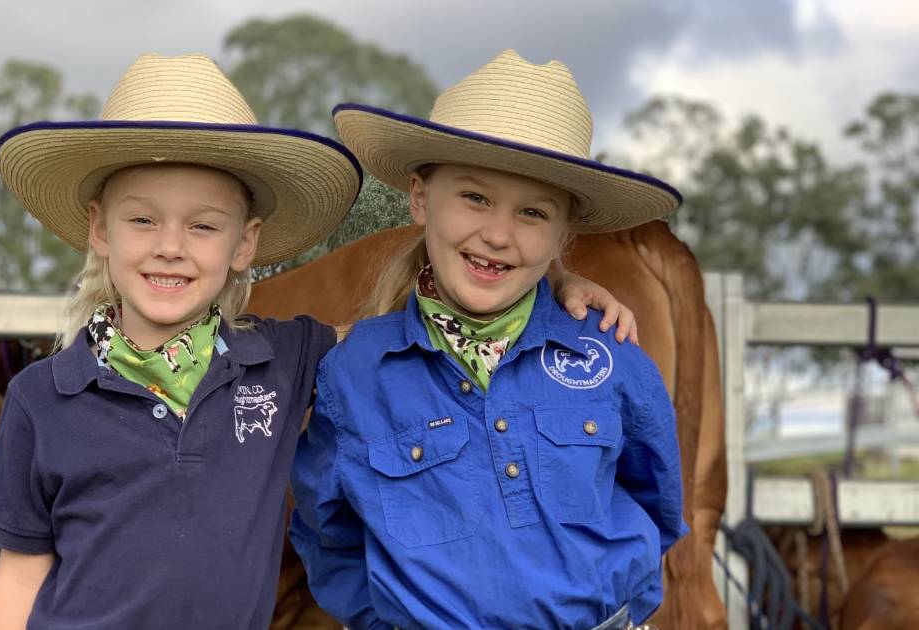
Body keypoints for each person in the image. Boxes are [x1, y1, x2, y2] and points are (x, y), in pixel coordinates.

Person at [0, 52, 641, 629]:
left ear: (246, 243)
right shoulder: (41, 399)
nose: (170, 247)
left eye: (204, 226)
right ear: (100, 230)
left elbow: (434, 321)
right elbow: (20, 570)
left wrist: (557, 285)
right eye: (142, 219)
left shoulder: (284, 358)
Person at [290, 50, 689, 630]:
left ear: (562, 234)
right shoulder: (356, 374)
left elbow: (658, 506)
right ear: (421, 197)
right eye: (475, 198)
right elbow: (327, 532)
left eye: (532, 212)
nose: (498, 234)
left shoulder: (608, 355)